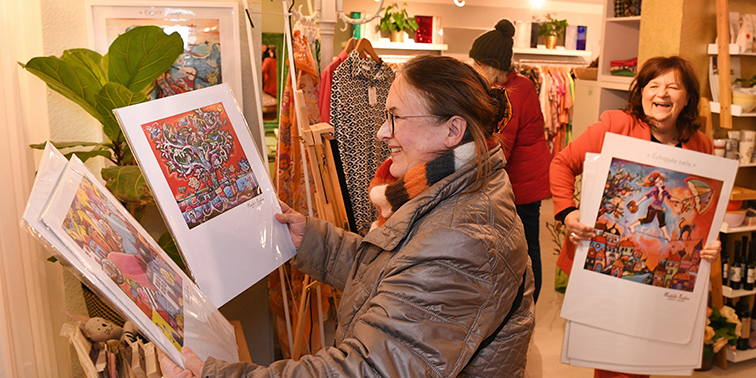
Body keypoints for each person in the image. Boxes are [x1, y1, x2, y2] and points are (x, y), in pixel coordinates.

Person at [159, 55, 535, 378]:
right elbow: (398, 273)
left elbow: (367, 369)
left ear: (453, 130)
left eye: (395, 117)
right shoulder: (455, 191)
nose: (382, 132)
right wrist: (311, 239)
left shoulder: (463, 236)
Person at [549, 56, 721, 378]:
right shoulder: (616, 126)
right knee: (614, 360)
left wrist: (709, 244)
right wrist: (568, 212)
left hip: (663, 268)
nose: (662, 93)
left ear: (687, 98)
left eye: (673, 86)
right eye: (653, 85)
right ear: (641, 92)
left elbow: (702, 211)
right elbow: (562, 164)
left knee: (647, 355)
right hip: (609, 262)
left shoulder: (701, 145)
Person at [469, 19, 552, 303]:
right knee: (522, 245)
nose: (474, 66)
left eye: (477, 62)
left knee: (528, 247)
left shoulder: (515, 91)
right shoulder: (516, 86)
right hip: (522, 180)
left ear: (490, 64)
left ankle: (528, 303)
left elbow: (502, 142)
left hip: (524, 185)